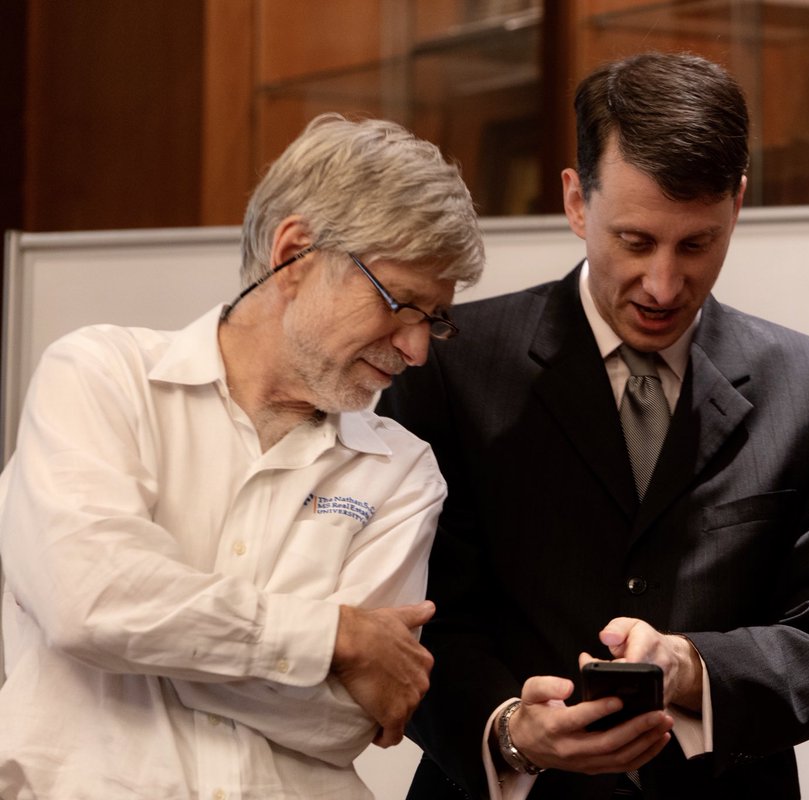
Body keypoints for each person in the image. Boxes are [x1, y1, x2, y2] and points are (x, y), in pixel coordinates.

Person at [377, 51, 809, 799]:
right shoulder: (450, 366)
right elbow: (417, 614)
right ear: (576, 202)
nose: (662, 285)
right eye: (636, 241)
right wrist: (510, 731)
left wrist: (691, 669)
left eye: (697, 244)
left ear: (737, 205)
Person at [0, 113, 485, 798]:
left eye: (434, 318)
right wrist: (335, 636)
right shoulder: (100, 376)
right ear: (294, 253)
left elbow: (348, 718)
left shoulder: (401, 471)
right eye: (401, 304)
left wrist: (132, 642)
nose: (416, 349)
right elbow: (90, 602)